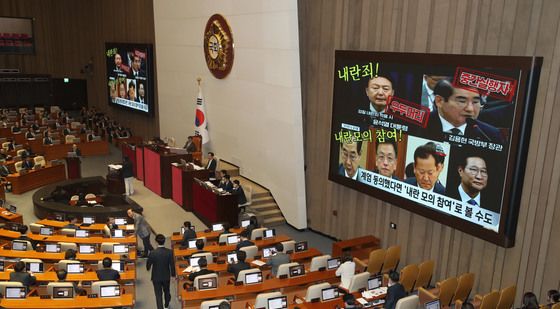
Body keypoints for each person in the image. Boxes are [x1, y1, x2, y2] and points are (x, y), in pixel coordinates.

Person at [426, 79, 504, 144]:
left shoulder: (491, 135)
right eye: (462, 101)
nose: (470, 109)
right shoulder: (419, 125)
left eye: (475, 102)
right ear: (439, 101)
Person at [147, 234, 175, 309]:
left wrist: (148, 267)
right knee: (167, 291)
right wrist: (173, 275)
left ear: (156, 242)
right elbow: (172, 265)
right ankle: (166, 304)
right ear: (164, 241)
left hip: (156, 277)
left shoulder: (152, 253)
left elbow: (148, 265)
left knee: (158, 295)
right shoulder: (169, 252)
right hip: (166, 276)